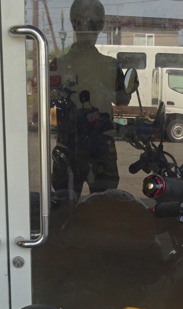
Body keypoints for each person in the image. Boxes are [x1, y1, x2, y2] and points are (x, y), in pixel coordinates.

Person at [50, 0, 131, 197]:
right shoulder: (109, 66)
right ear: (101, 25)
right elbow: (123, 100)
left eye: (89, 22)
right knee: (104, 204)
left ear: (73, 23)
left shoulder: (58, 65)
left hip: (69, 145)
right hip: (100, 147)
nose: (87, 26)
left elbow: (45, 105)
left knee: (65, 205)